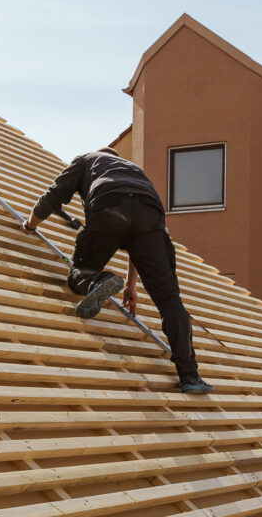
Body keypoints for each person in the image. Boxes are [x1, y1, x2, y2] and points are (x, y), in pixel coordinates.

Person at [22, 148, 211, 393]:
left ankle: (98, 279)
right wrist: (133, 286)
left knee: (81, 272)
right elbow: (137, 237)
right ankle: (191, 377)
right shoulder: (134, 170)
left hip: (109, 203)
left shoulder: (87, 159)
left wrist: (31, 225)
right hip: (151, 216)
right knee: (169, 300)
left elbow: (54, 195)